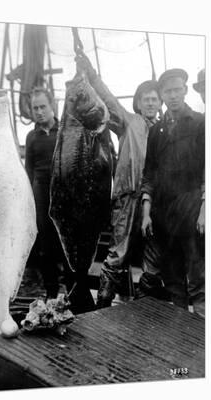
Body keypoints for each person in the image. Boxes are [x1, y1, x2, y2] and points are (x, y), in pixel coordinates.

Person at [75, 52, 163, 308]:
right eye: (145, 99)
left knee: (152, 256)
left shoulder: (163, 130)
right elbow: (108, 99)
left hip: (154, 201)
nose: (150, 103)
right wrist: (89, 72)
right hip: (127, 198)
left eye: (154, 99)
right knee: (117, 254)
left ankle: (145, 306)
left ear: (159, 103)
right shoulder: (129, 122)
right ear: (137, 103)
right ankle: (103, 303)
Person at [140, 68, 205, 317]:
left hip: (192, 214)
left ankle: (201, 341)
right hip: (164, 217)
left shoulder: (200, 123)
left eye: (177, 90)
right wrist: (146, 214)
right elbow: (149, 174)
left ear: (185, 91)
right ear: (162, 95)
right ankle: (180, 338)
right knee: (174, 282)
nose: (173, 96)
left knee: (199, 281)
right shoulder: (157, 132)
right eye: (168, 91)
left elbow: (208, 171)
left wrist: (204, 210)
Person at [24, 87, 63, 300]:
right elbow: (29, 170)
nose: (39, 112)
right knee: (46, 245)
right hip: (41, 195)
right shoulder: (31, 137)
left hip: (64, 194)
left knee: (66, 244)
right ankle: (51, 291)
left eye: (43, 107)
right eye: (35, 108)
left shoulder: (65, 131)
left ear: (53, 106)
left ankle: (74, 289)